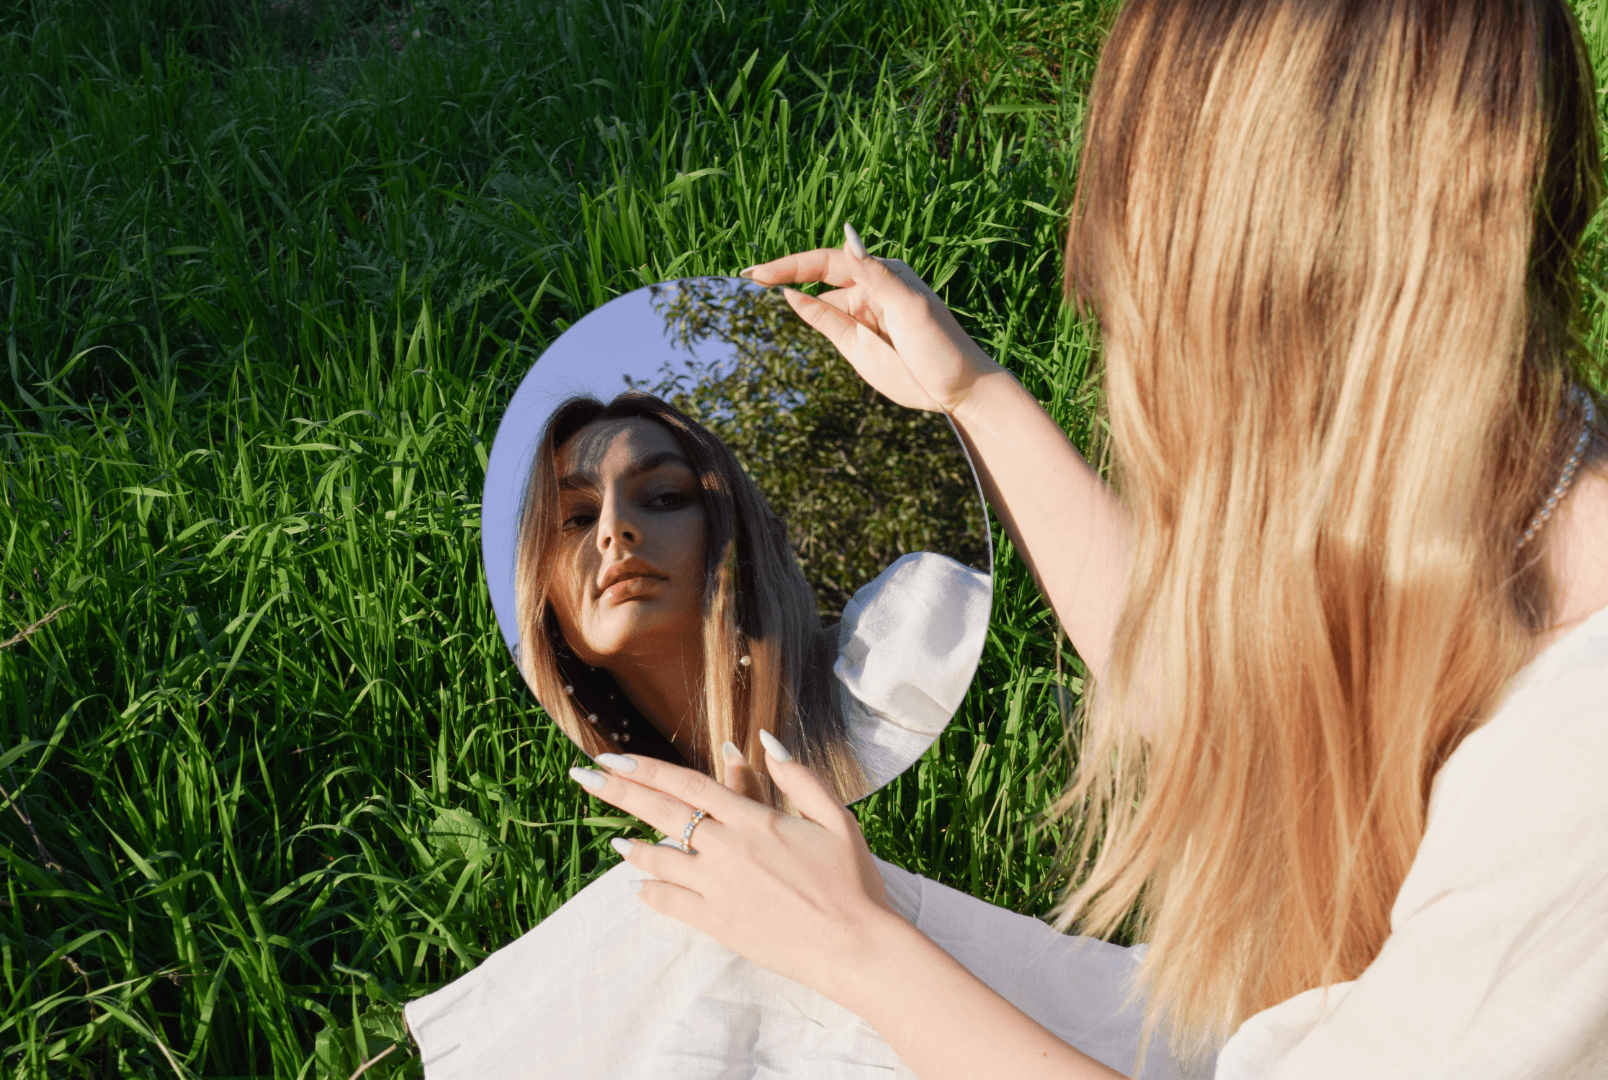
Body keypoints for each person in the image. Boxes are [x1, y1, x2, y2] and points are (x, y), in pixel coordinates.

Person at [552, 0, 1608, 1077]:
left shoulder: (1586, 758)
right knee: (690, 942)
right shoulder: (1505, 464)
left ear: (1285, 293)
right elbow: (1214, 695)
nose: (1102, 284)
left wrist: (857, 949)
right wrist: (970, 394)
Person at [511, 390, 991, 804]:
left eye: (664, 497)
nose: (614, 529)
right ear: (542, 592)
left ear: (731, 531)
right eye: (576, 518)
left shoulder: (905, 651)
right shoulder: (570, 812)